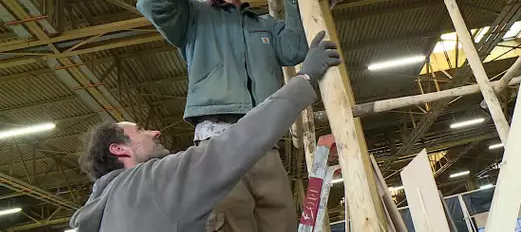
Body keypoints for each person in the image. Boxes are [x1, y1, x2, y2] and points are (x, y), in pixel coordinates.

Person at [69, 32, 340, 232]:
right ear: (119, 149)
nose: (154, 132)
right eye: (140, 130)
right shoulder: (151, 182)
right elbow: (235, 144)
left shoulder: (98, 217)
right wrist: (304, 79)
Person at [135, 0, 308, 231]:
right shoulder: (191, 18)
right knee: (230, 220)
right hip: (218, 140)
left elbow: (296, 49)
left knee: (282, 222)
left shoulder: (264, 25)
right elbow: (149, 2)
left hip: (265, 142)